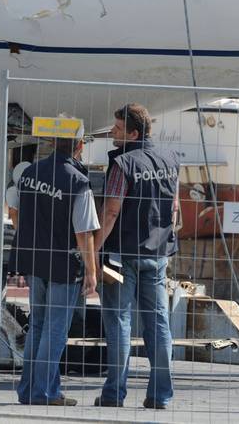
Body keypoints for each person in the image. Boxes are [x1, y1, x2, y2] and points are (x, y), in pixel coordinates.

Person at [95, 103, 180, 410]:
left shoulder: (124, 163)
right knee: (158, 324)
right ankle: (160, 395)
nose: (112, 132)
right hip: (158, 252)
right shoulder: (171, 158)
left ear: (133, 133)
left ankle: (113, 394)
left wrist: (93, 250)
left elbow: (111, 211)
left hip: (122, 254)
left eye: (117, 128)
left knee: (119, 322)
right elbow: (173, 206)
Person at [9, 121, 99, 406]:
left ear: (51, 142)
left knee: (37, 325)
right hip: (63, 264)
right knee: (55, 329)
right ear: (80, 146)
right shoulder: (78, 181)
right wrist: (92, 271)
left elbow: (16, 213)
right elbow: (84, 232)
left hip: (34, 259)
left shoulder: (30, 173)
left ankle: (28, 390)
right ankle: (44, 392)